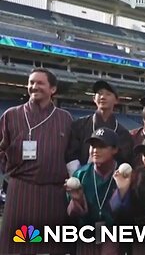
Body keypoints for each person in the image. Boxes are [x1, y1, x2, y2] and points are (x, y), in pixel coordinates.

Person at [0, 68, 73, 254]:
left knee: (50, 246)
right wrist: (9, 172)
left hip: (53, 193)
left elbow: (70, 154)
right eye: (31, 82)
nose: (34, 87)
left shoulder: (64, 118)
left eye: (40, 83)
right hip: (21, 191)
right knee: (20, 245)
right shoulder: (12, 114)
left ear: (53, 89)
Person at [66, 128, 120, 255]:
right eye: (93, 146)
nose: (95, 150)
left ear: (115, 149)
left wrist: (122, 190)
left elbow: (126, 212)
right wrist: (77, 199)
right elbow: (72, 214)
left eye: (102, 146)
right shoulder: (80, 174)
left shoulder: (122, 174)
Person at [66, 80, 134, 172]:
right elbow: (71, 155)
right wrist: (77, 176)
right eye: (99, 93)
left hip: (111, 181)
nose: (103, 97)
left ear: (116, 100)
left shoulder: (123, 133)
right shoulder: (79, 125)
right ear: (94, 98)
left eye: (108, 94)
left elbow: (124, 161)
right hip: (81, 180)